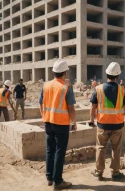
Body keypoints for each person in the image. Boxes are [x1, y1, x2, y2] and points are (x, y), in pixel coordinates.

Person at [39, 59, 77, 190]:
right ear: (64, 72)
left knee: (50, 150)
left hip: (48, 122)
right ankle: (58, 181)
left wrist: (44, 116)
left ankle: (49, 177)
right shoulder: (66, 87)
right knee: (60, 152)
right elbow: (71, 108)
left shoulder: (45, 85)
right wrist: (74, 122)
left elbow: (40, 103)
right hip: (61, 123)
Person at [89, 62, 125, 181]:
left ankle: (98, 172)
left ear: (106, 74)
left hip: (102, 124)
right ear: (118, 76)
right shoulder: (122, 89)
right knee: (116, 148)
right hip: (117, 125)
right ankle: (115, 172)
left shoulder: (98, 88)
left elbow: (92, 107)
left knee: (100, 147)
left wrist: (91, 120)